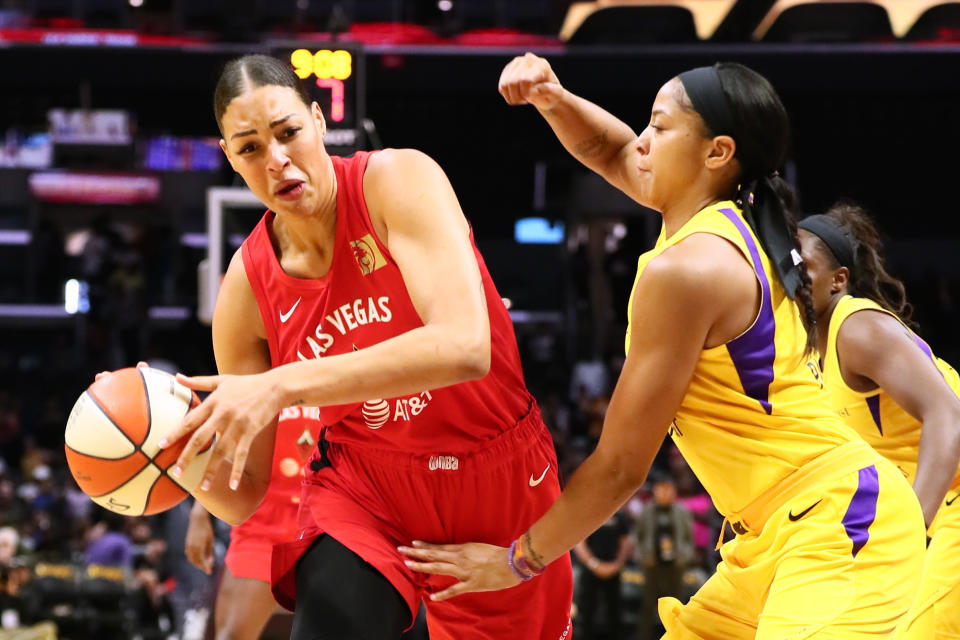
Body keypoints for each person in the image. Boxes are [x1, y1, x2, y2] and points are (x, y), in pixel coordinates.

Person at [398, 53, 928, 638]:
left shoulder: (691, 269)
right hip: (773, 531)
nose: (643, 140)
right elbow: (609, 149)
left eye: (659, 124)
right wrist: (553, 97)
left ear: (718, 152)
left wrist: (514, 561)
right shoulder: (712, 224)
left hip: (838, 521)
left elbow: (622, 465)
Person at [158, 53, 573, 640]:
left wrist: (280, 383)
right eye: (249, 148)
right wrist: (175, 457)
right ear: (229, 158)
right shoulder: (245, 287)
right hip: (367, 485)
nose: (276, 160)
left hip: (495, 474)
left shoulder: (397, 180)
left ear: (319, 120)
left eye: (288, 132)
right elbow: (245, 493)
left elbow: (464, 347)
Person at [797, 203, 960, 640]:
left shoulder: (857, 327)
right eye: (784, 264)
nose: (791, 276)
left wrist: (909, 529)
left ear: (839, 280)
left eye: (804, 266)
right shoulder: (808, 349)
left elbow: (948, 415)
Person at [183, 405, 321, 640]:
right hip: (263, 517)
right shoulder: (260, 369)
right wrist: (200, 511)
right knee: (231, 635)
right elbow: (230, 430)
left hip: (326, 515)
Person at [635, 474, 693, 640]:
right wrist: (644, 556)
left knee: (677, 604)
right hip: (652, 564)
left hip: (676, 564)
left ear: (674, 491)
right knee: (647, 604)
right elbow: (638, 537)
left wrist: (684, 557)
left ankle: (678, 637)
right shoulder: (646, 510)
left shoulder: (682, 511)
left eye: (668, 490)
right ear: (655, 491)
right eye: (661, 490)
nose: (665, 493)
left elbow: (689, 538)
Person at [572, 506, 632, 639]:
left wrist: (617, 564)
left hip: (613, 569)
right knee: (586, 609)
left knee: (615, 610)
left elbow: (625, 541)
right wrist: (594, 565)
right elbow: (579, 543)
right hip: (589, 569)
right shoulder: (588, 513)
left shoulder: (619, 514)